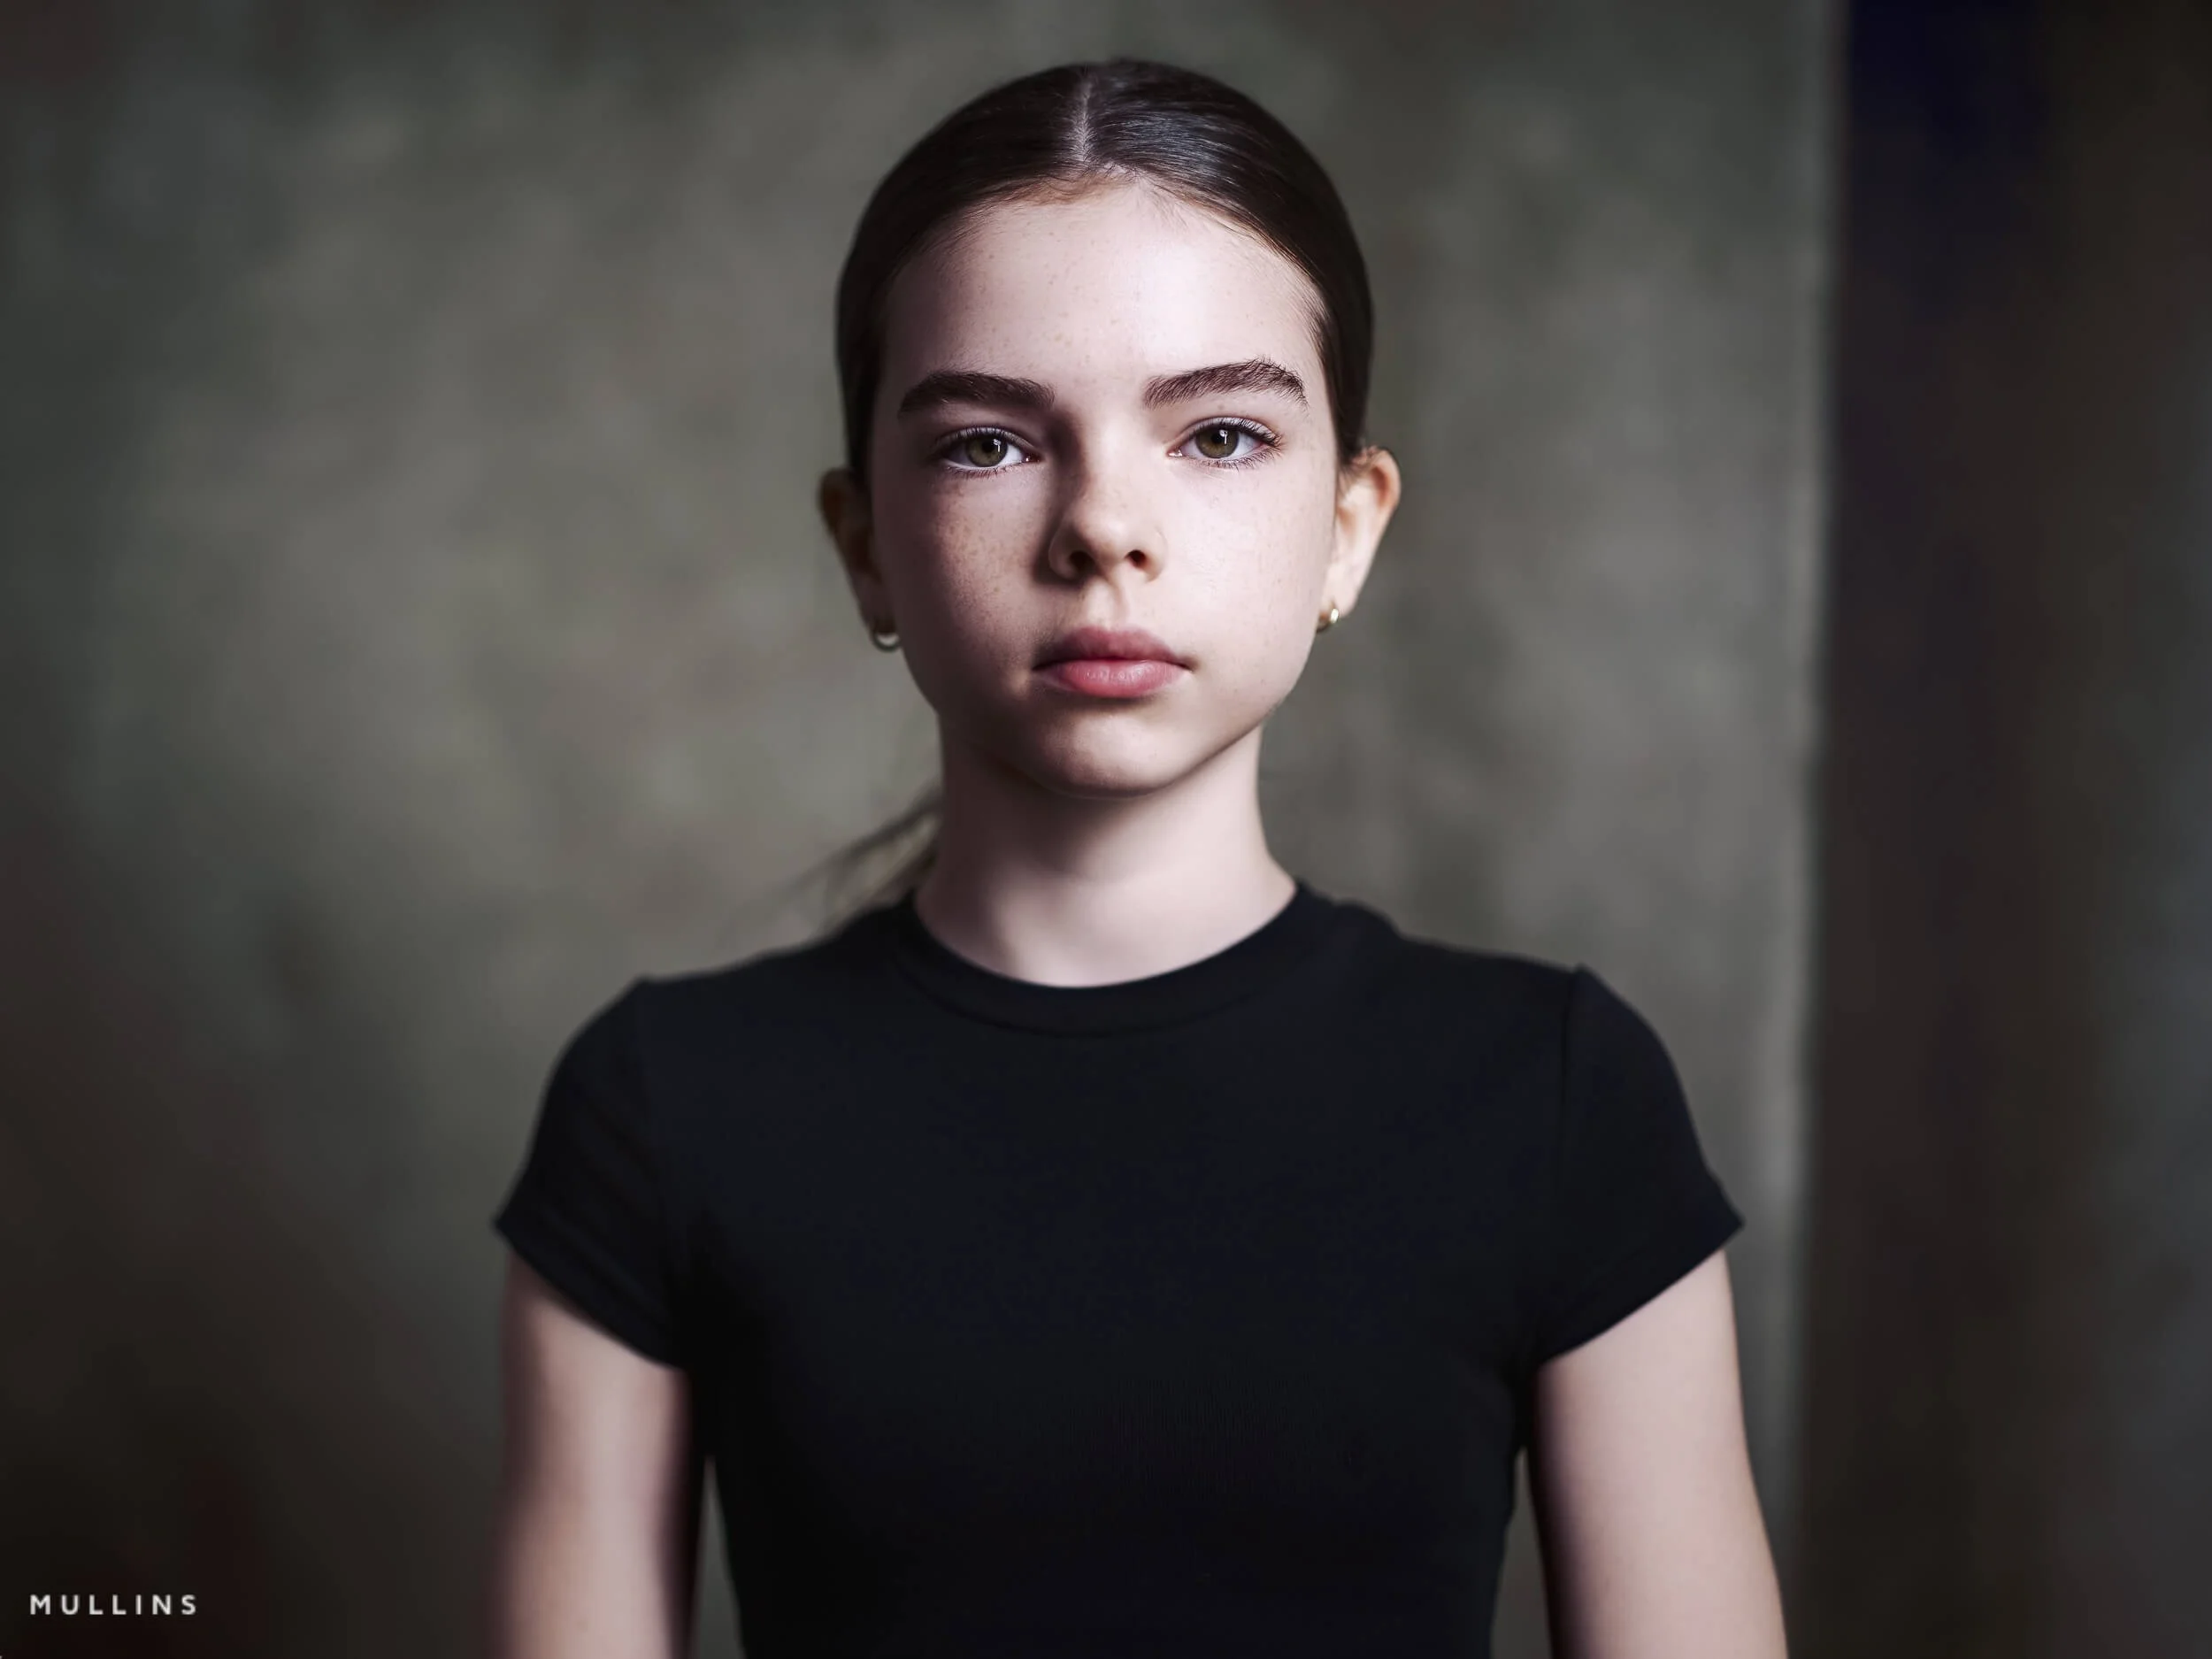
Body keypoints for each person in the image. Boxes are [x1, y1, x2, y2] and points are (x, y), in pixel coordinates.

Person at [485, 56, 1788, 1659]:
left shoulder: (1560, 1094)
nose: (1106, 523)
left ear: (1350, 528)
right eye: (984, 444)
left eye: (1222, 434)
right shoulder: (661, 1110)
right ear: (863, 545)